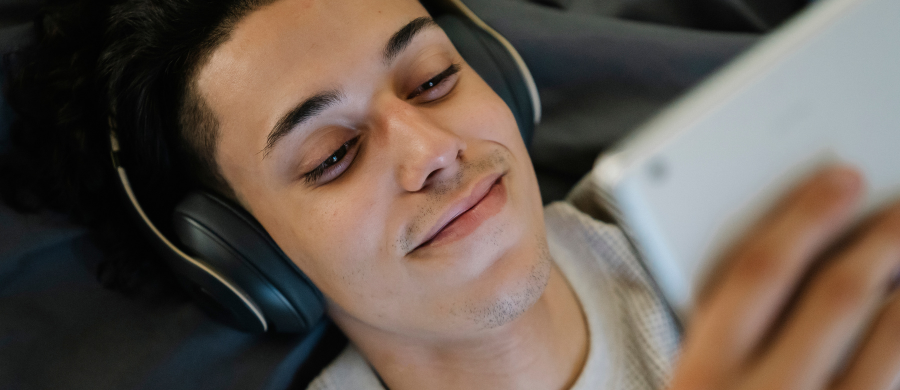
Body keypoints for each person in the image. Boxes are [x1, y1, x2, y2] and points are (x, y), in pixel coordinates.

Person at [2, 0, 899, 389]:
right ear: (248, 259)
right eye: (332, 156)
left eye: (432, 78)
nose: (434, 151)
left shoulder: (749, 232)